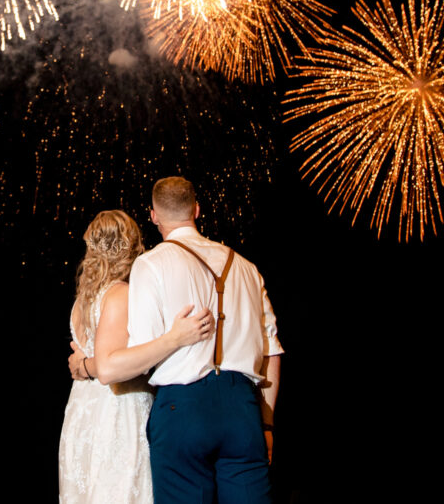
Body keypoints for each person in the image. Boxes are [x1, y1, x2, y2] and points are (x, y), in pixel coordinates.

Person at [77, 177, 284, 503]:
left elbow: (136, 359)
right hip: (242, 410)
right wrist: (267, 425)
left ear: (153, 215)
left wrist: (89, 365)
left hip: (182, 409)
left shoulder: (151, 264)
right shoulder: (247, 268)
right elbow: (272, 353)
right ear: (197, 210)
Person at [58, 210, 214, 504]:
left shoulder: (82, 300)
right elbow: (109, 363)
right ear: (131, 246)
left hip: (83, 411)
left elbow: (94, 359)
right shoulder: (120, 294)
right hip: (117, 413)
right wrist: (176, 338)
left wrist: (83, 366)